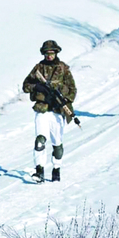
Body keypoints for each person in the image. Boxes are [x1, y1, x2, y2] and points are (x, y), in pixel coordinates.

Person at [22, 40, 77, 183]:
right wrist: (36, 87)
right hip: (42, 110)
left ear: (56, 53)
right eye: (47, 53)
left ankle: (56, 169)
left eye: (52, 53)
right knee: (40, 140)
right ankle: (39, 171)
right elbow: (25, 85)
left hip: (57, 111)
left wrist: (63, 97)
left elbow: (73, 90)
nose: (49, 56)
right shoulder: (38, 68)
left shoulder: (63, 69)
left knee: (57, 143)